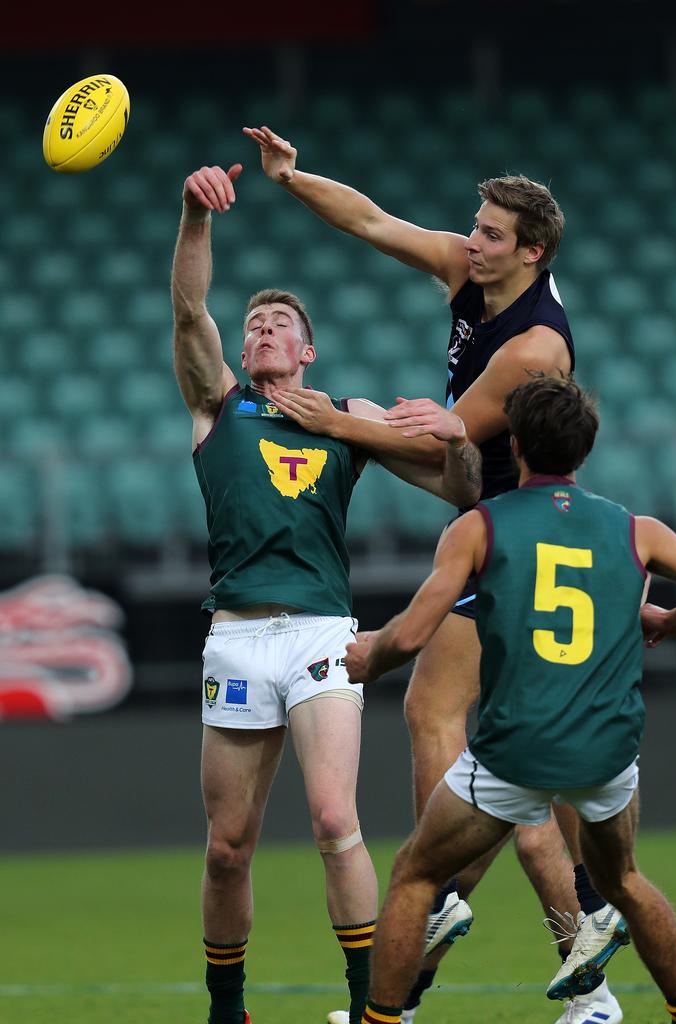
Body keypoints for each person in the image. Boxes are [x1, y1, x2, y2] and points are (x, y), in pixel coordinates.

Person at [246, 126, 625, 1024]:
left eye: (493, 234)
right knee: (515, 778)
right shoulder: (472, 272)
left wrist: (332, 423)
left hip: (515, 530)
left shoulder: (534, 346)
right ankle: (586, 971)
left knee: (436, 719)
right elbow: (374, 222)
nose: (473, 239)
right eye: (476, 226)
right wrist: (293, 178)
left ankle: (449, 909)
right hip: (483, 511)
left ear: (532, 252)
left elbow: (446, 434)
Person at [343, 372, 676, 1024]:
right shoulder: (636, 530)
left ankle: (383, 1020)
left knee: (418, 878)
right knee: (623, 881)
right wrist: (670, 623)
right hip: (607, 754)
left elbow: (418, 630)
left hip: (516, 750)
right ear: (584, 453)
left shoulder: (479, 526)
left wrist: (373, 658)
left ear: (515, 443)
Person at [171, 161, 483, 1024]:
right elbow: (189, 311)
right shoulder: (217, 406)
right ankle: (226, 1010)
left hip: (318, 632)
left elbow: (460, 485)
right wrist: (194, 220)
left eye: (280, 324)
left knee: (333, 820)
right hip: (235, 635)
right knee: (228, 849)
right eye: (255, 324)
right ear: (243, 351)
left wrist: (456, 437)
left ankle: (372, 1006)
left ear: (306, 351)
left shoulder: (347, 414)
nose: (263, 329)